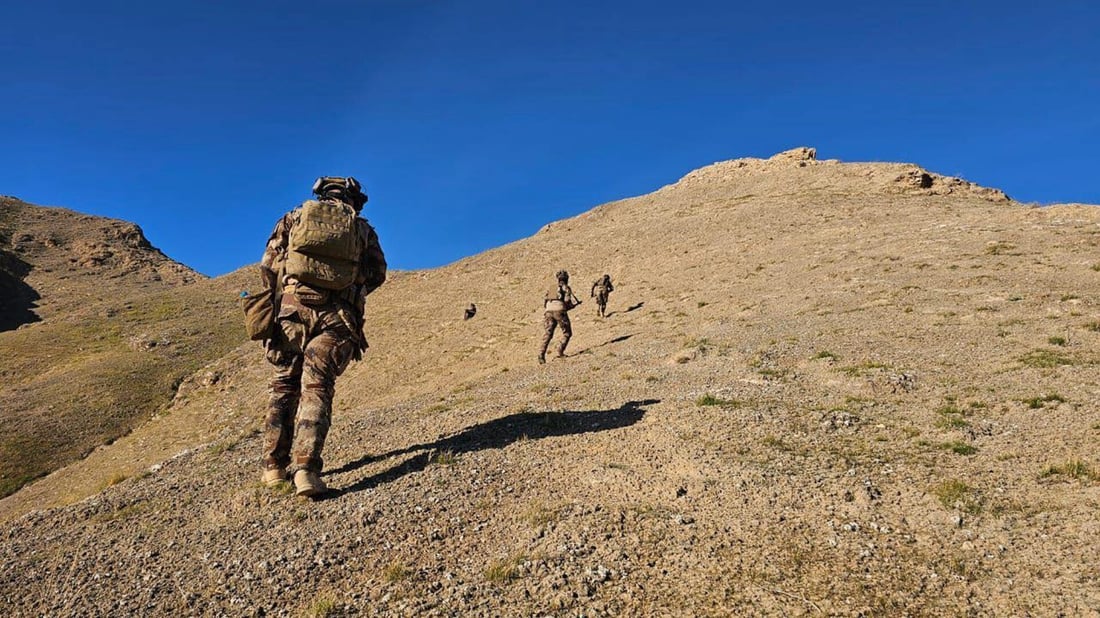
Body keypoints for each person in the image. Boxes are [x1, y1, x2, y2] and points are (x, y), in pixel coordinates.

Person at [257, 176, 386, 497]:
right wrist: (346, 291)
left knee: (284, 385)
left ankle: (274, 468)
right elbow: (378, 273)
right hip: (337, 318)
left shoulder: (293, 218)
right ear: (354, 200)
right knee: (317, 387)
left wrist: (286, 295)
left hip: (291, 313)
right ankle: (306, 471)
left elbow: (268, 265)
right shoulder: (363, 230)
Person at [538, 269, 580, 364]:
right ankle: (560, 351)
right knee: (567, 333)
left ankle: (541, 354)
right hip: (559, 311)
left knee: (548, 333)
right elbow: (567, 301)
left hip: (548, 311)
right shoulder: (566, 287)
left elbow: (546, 301)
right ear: (566, 279)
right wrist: (571, 306)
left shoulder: (553, 288)